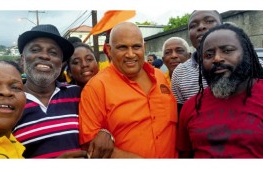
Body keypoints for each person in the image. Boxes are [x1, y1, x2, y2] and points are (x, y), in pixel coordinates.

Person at [79, 22, 178, 158]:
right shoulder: (96, 87)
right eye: (122, 47)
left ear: (144, 47)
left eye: (136, 46)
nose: (130, 54)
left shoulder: (160, 76)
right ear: (108, 50)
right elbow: (90, 145)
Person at [12, 24, 112, 158]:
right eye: (35, 50)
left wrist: (106, 132)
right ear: (22, 60)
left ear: (61, 63)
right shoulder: (9, 102)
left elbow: (109, 123)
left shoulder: (79, 94)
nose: (45, 56)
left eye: (53, 53)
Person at [177, 23, 263, 158]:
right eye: (209, 55)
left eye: (227, 50)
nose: (217, 58)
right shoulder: (190, 107)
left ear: (246, 53)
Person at [171, 10, 223, 113]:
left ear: (223, 27)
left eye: (209, 21)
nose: (201, 27)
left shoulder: (250, 65)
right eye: (193, 25)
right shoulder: (180, 73)